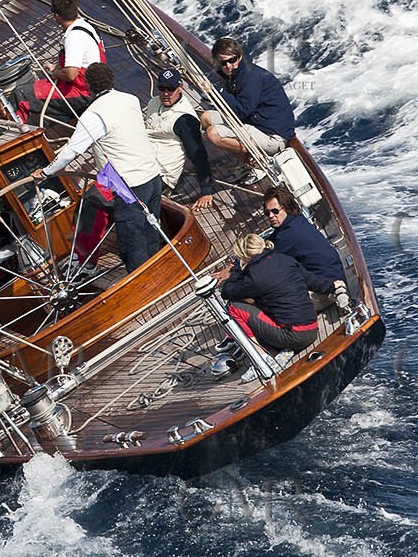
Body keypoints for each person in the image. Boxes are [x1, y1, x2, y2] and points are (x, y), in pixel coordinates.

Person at [32, 62, 164, 275]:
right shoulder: (130, 99)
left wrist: (46, 172)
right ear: (111, 80)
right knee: (150, 229)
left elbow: (71, 151)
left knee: (133, 240)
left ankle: (146, 284)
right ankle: (159, 272)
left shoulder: (93, 115)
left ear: (88, 86)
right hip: (153, 176)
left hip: (128, 187)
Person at [212, 232, 320, 374]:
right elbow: (313, 282)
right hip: (312, 330)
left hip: (293, 337)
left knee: (234, 307)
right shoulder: (284, 259)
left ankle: (261, 357)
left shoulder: (253, 278)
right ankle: (257, 341)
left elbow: (227, 292)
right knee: (255, 298)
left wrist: (234, 272)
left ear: (245, 257)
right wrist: (336, 287)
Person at [200, 37, 296, 183]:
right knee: (206, 117)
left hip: (271, 136)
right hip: (254, 124)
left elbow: (242, 112)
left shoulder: (251, 77)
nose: (228, 66)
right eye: (222, 63)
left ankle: (259, 165)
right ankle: (247, 161)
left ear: (239, 57)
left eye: (231, 60)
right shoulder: (236, 74)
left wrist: (216, 91)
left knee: (213, 134)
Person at [14, 0, 104, 126]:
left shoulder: (73, 37)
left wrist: (55, 73)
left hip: (84, 93)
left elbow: (71, 74)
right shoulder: (87, 25)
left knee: (21, 93)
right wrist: (57, 67)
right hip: (96, 86)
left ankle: (18, 132)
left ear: (56, 16)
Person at [143, 67, 216, 211]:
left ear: (180, 88)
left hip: (159, 174)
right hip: (141, 162)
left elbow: (198, 155)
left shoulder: (184, 120)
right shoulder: (153, 103)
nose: (165, 93)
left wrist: (206, 191)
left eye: (170, 88)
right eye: (162, 88)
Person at [261, 187, 345, 299]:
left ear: (287, 208)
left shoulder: (288, 235)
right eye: (267, 212)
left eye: (275, 211)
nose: (271, 216)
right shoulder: (298, 221)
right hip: (335, 277)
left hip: (325, 291)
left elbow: (264, 261)